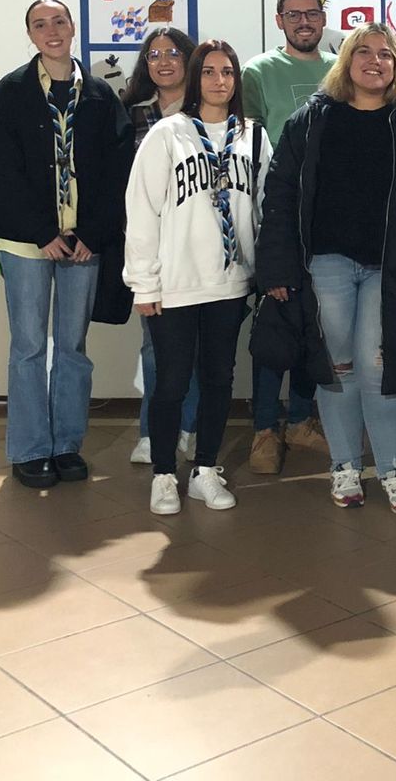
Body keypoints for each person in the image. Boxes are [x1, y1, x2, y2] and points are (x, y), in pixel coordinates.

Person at [255, 22, 396, 514]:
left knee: (380, 367)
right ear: (346, 61)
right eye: (363, 52)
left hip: (391, 268)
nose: (375, 61)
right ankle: (344, 464)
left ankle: (392, 468)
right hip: (328, 264)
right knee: (337, 365)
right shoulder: (311, 120)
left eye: (385, 54)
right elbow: (280, 194)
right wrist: (276, 267)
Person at [0, 0, 133, 489]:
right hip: (27, 243)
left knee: (72, 346)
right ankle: (31, 449)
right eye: (39, 24)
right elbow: (3, 170)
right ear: (29, 34)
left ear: (73, 28)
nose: (51, 30)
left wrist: (92, 233)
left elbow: (117, 171)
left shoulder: (99, 94)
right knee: (29, 346)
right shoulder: (12, 90)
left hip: (83, 244)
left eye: (59, 21)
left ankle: (67, 444)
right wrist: (42, 232)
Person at [126, 40, 269, 515]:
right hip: (176, 284)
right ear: (194, 78)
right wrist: (144, 283)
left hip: (230, 283)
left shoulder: (253, 136)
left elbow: (265, 208)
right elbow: (141, 212)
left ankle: (205, 468)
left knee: (218, 380)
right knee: (170, 382)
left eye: (227, 71)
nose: (219, 80)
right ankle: (164, 474)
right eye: (208, 71)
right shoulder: (168, 134)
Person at [241, 0, 334, 474]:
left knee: (311, 325)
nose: (304, 22)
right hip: (276, 215)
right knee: (274, 326)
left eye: (311, 13)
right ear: (279, 20)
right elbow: (246, 146)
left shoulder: (339, 67)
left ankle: (299, 420)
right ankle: (263, 429)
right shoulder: (257, 72)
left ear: (323, 17)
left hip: (327, 222)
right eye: (293, 14)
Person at [121, 28, 200, 466]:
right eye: (154, 55)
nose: (164, 61)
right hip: (155, 251)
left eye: (173, 53)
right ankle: (153, 432)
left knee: (200, 350)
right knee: (156, 349)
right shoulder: (133, 114)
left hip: (201, 249)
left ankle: (189, 428)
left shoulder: (208, 112)